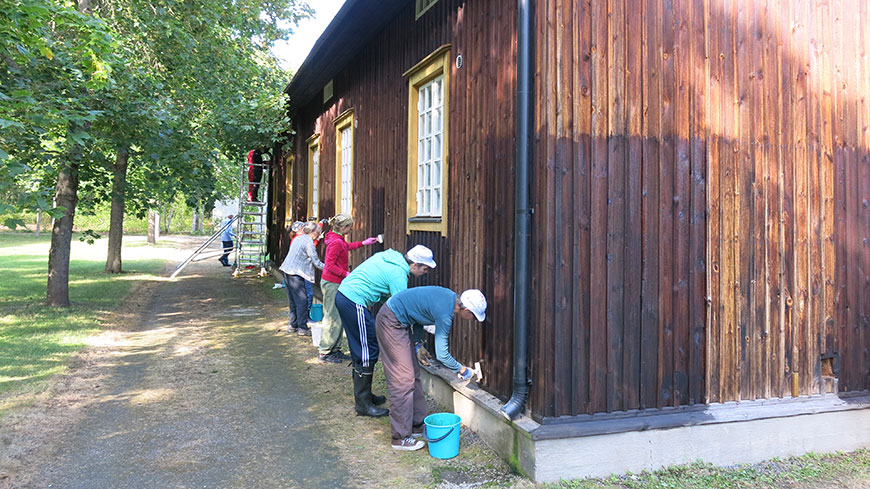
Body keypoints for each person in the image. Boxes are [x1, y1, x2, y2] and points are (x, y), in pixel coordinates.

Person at [375, 287, 487, 451]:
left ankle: (416, 425)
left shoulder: (449, 298)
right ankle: (400, 438)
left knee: (413, 374)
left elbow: (420, 313)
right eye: (474, 317)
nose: (473, 320)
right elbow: (442, 355)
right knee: (403, 380)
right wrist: (463, 370)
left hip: (401, 321)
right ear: (467, 310)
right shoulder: (445, 313)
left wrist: (417, 342)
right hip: (391, 321)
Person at [335, 245, 435, 417]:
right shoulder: (398, 275)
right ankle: (363, 404)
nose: (426, 272)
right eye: (425, 268)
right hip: (354, 300)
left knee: (366, 346)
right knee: (367, 351)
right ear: (414, 265)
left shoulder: (391, 258)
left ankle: (365, 396)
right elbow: (403, 308)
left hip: (347, 296)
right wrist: (425, 326)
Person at [317, 213, 379, 363]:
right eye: (350, 226)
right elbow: (329, 265)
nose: (351, 229)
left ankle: (334, 349)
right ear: (343, 227)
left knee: (337, 316)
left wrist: (364, 243)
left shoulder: (335, 237)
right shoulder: (336, 242)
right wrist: (346, 274)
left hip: (334, 282)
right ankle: (325, 351)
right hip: (332, 283)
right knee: (332, 317)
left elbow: (346, 247)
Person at [279, 222, 324, 336]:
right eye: (318, 232)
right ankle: (302, 328)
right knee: (302, 301)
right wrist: (330, 268)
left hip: (287, 271)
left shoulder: (299, 238)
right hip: (295, 273)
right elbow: (316, 262)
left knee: (293, 301)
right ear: (313, 232)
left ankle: (293, 325)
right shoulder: (309, 243)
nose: (319, 235)